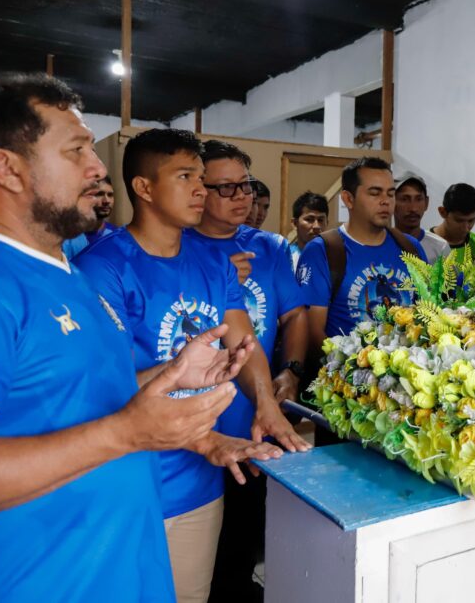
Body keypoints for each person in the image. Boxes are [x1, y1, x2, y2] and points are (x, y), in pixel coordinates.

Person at [0, 73, 247, 602]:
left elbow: (76, 395)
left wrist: (166, 377)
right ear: (5, 168)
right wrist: (127, 432)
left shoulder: (62, 271)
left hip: (122, 566)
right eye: (76, 150)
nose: (98, 168)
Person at [75, 129, 303, 603]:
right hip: (130, 481)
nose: (201, 189)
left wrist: (265, 402)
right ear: (144, 188)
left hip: (201, 481)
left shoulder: (212, 261)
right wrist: (179, 378)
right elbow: (100, 386)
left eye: (202, 178)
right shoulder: (105, 268)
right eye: (185, 177)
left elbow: (243, 341)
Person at [183, 140, 308, 603]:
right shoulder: (177, 246)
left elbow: (292, 316)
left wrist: (290, 371)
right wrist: (218, 282)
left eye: (248, 186)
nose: (243, 196)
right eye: (227, 187)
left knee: (241, 543)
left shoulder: (270, 247)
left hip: (254, 418)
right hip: (191, 430)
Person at [297, 157, 424, 368]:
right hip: (345, 382)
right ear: (348, 199)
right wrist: (357, 372)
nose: (386, 201)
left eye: (390, 193)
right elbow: (311, 332)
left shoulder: (410, 248)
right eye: (375, 193)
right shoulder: (323, 251)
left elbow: (425, 313)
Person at [394, 171, 450, 261]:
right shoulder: (380, 245)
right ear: (391, 202)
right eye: (404, 199)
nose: (413, 208)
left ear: (426, 203)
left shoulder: (440, 248)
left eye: (419, 199)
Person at [431, 182, 475, 266]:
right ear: (443, 212)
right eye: (459, 221)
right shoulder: (422, 245)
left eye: (471, 220)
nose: (465, 228)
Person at [288, 190, 329, 269]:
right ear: (294, 223)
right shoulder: (285, 258)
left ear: (327, 223)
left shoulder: (337, 259)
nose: (316, 226)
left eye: (320, 220)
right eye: (309, 219)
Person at [85, 174, 118, 245]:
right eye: (99, 194)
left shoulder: (117, 236)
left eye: (110, 195)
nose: (106, 201)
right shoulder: (68, 238)